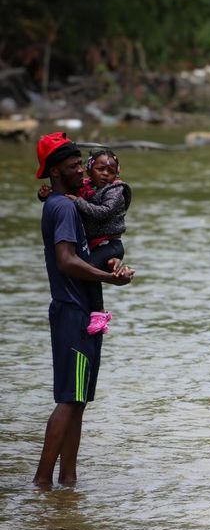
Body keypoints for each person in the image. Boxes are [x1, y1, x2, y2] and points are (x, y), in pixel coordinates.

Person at [33, 132, 135, 489]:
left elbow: (91, 247)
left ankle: (68, 483)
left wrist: (112, 262)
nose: (83, 172)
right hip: (73, 314)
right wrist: (110, 278)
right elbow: (66, 261)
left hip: (84, 315)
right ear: (57, 172)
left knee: (78, 401)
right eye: (76, 166)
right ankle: (42, 483)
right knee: (68, 400)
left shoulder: (71, 202)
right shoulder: (63, 206)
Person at [40, 148, 132, 335]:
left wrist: (78, 202)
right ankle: (97, 311)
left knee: (88, 267)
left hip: (110, 244)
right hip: (96, 244)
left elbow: (103, 212)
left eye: (111, 171)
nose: (106, 175)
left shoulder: (115, 191)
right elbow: (67, 190)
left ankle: (99, 312)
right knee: (89, 267)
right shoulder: (86, 185)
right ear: (89, 169)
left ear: (117, 174)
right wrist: (45, 195)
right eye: (100, 169)